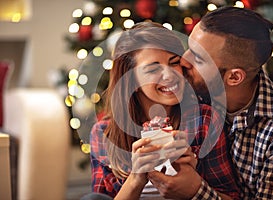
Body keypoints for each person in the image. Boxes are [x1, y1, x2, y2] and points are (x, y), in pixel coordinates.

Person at [148, 6, 273, 199]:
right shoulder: (191, 95)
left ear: (234, 77)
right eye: (190, 47)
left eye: (199, 58)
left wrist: (196, 191)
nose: (184, 61)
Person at [89, 21, 240, 199]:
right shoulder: (104, 134)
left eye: (174, 62)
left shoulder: (204, 120)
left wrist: (194, 183)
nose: (170, 75)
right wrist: (136, 179)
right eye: (153, 68)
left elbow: (232, 196)